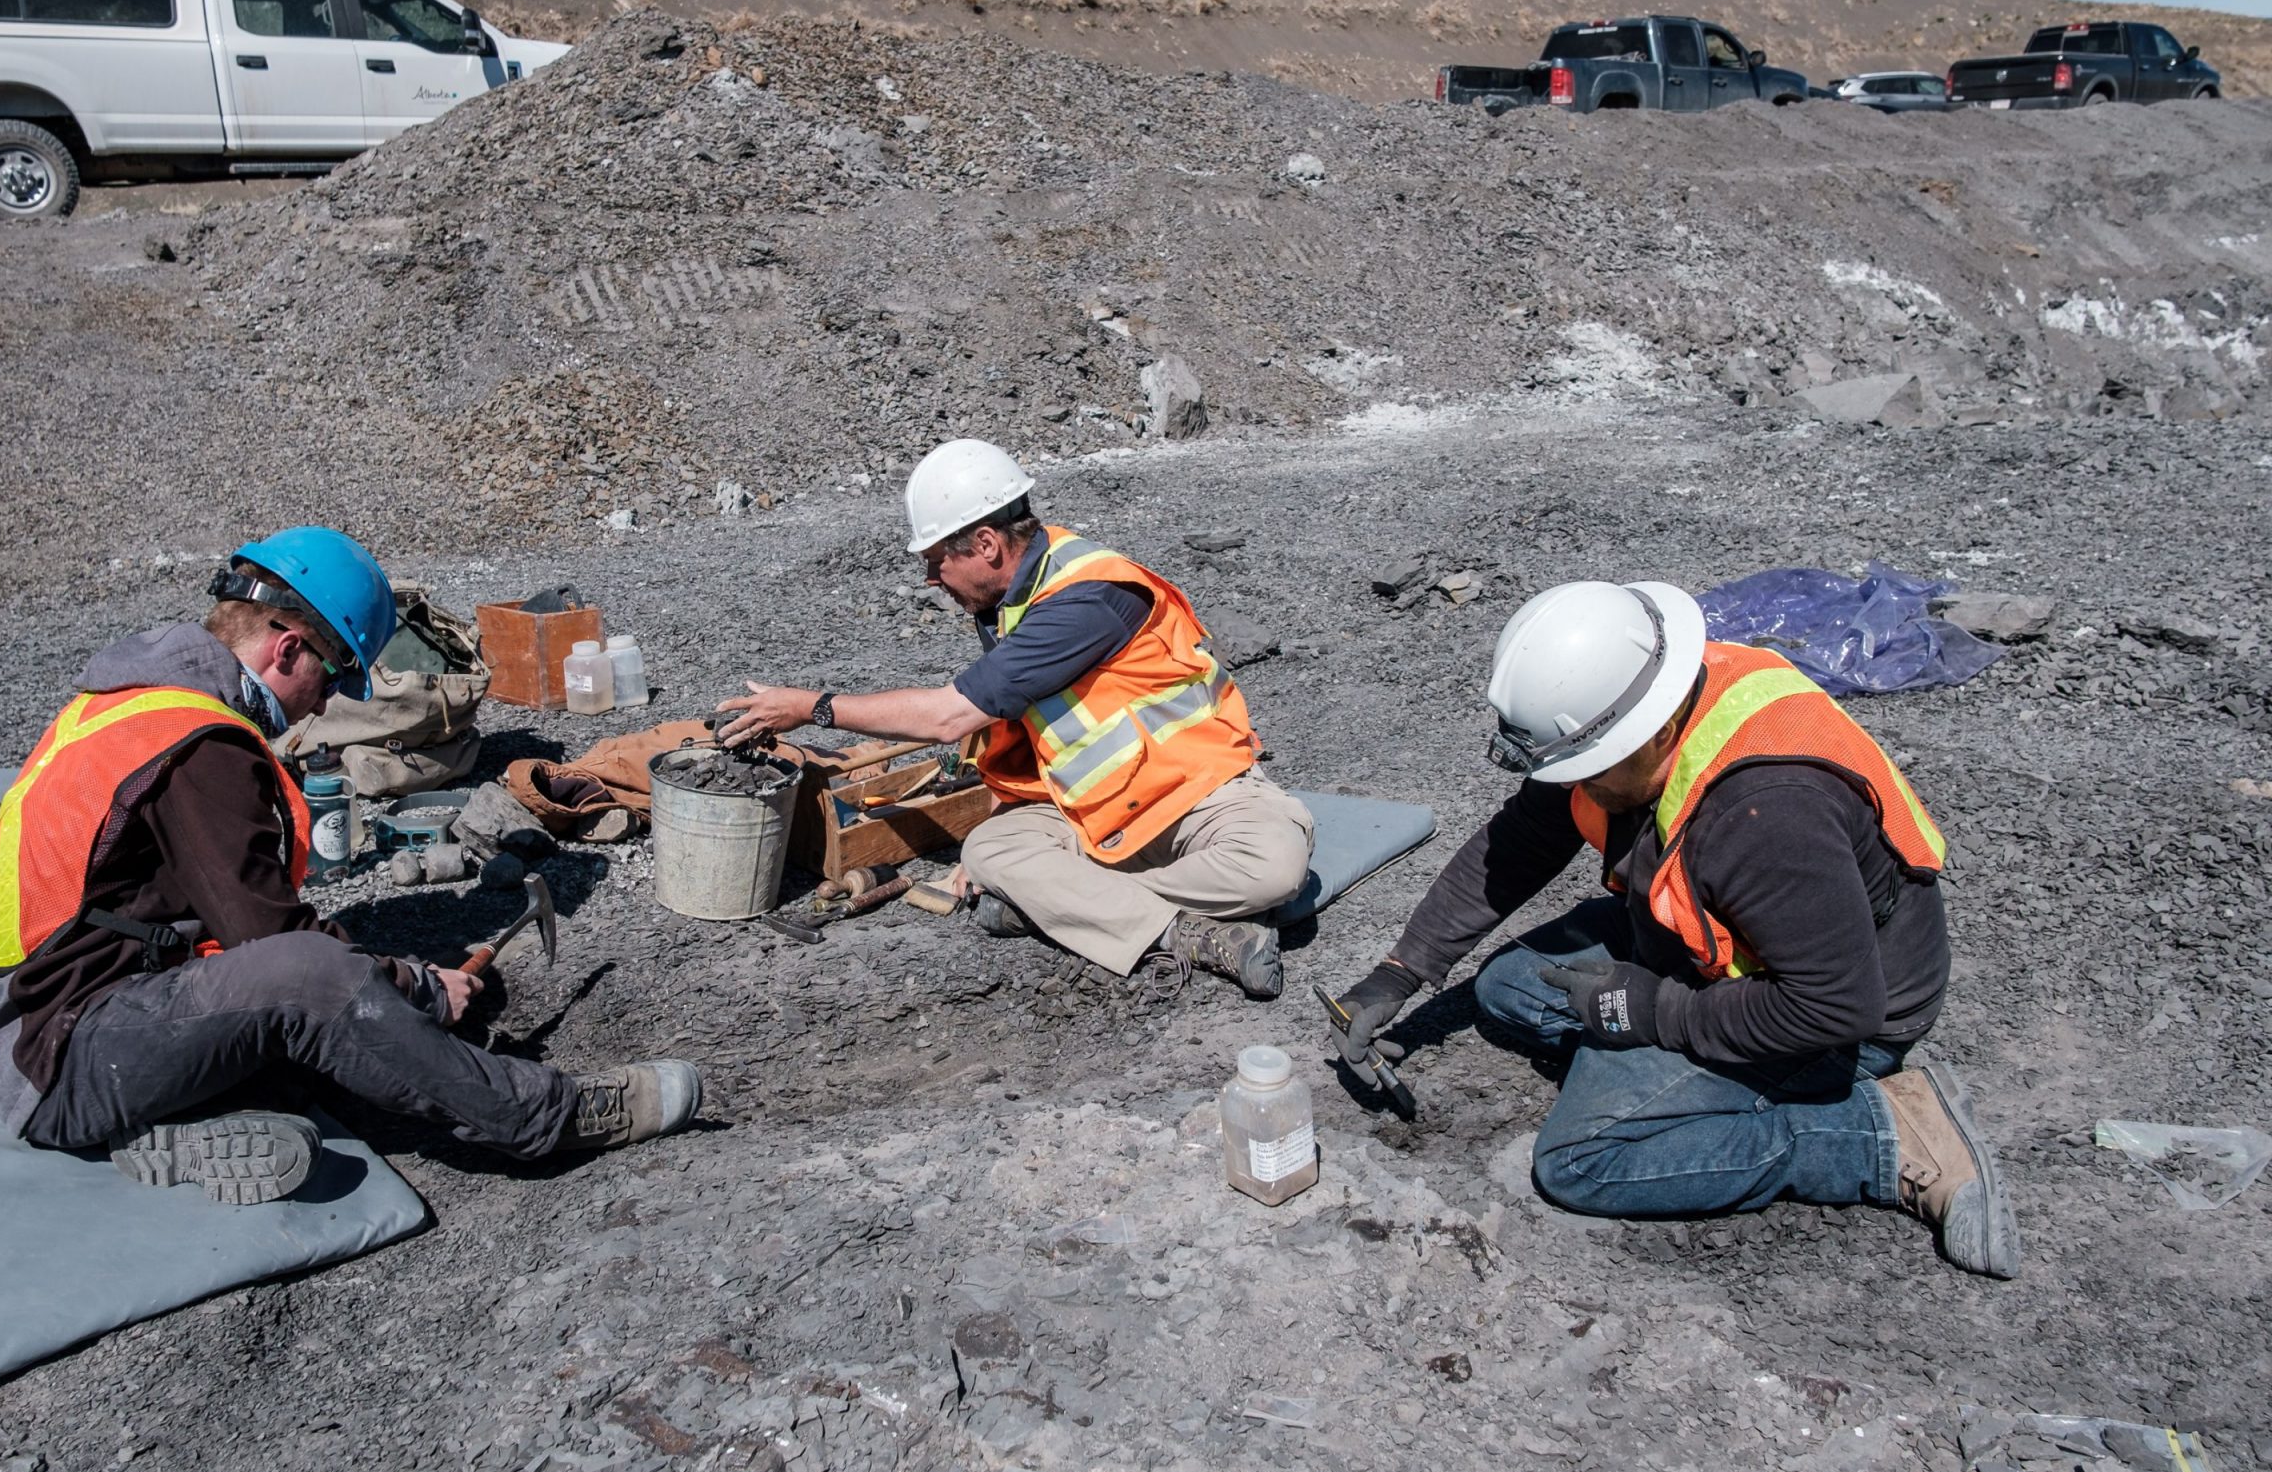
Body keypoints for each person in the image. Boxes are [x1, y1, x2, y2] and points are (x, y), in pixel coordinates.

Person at [0, 527, 699, 1204]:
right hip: (63, 1062)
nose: (325, 704)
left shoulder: (137, 704)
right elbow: (274, 946)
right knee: (318, 980)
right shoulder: (199, 747)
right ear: (287, 651)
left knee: (348, 1013)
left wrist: (388, 987)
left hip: (51, 1029)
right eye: (336, 677)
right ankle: (548, 1116)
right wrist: (410, 986)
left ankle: (172, 1125)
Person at [1329, 579, 2021, 1278]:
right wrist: (1400, 971)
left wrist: (1656, 1014)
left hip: (1837, 1017)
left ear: (1655, 730)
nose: (1578, 786)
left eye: (1587, 771)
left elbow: (1837, 1004)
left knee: (1583, 1162)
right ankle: (1667, 1078)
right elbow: (1519, 843)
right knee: (1508, 989)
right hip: (1717, 944)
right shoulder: (1642, 699)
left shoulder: (1768, 815)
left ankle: (1884, 1132)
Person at [717, 439, 1312, 997]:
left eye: (935, 562)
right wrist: (1006, 808)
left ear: (984, 544)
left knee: (1276, 867)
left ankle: (1062, 909)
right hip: (1097, 818)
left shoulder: (1086, 601)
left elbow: (951, 716)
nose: (931, 580)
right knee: (989, 853)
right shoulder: (1011, 599)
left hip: (1199, 798)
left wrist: (813, 707)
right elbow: (1026, 727)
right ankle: (1186, 929)